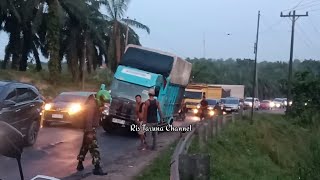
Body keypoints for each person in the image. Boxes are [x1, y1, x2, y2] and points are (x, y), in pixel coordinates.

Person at [76, 89, 111, 175]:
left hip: (90, 128)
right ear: (100, 98)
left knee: (85, 146)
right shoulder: (91, 104)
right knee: (95, 148)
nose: (104, 104)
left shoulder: (96, 102)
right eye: (103, 102)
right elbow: (89, 119)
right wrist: (89, 132)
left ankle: (80, 164)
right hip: (90, 128)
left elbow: (97, 115)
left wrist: (101, 110)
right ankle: (97, 167)